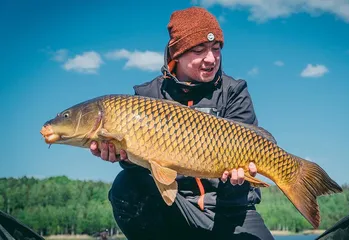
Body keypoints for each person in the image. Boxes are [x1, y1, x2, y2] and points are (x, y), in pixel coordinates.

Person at [90, 6, 275, 240]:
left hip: (231, 212)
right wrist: (121, 156)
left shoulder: (233, 91)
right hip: (176, 209)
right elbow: (141, 169)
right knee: (126, 185)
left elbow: (250, 145)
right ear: (176, 54)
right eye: (199, 50)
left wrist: (239, 178)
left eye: (216, 49)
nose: (211, 59)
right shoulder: (148, 96)